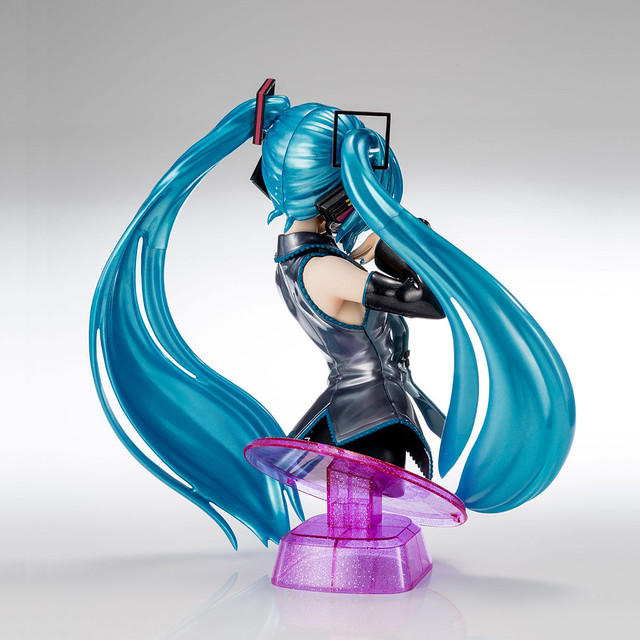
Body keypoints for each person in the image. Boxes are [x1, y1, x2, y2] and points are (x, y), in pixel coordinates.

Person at [90, 87, 575, 549]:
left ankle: (352, 555)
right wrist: (405, 244)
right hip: (371, 420)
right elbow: (432, 303)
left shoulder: (299, 261)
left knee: (357, 506)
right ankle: (354, 565)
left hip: (352, 411)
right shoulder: (326, 269)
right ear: (338, 196)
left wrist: (380, 248)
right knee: (360, 508)